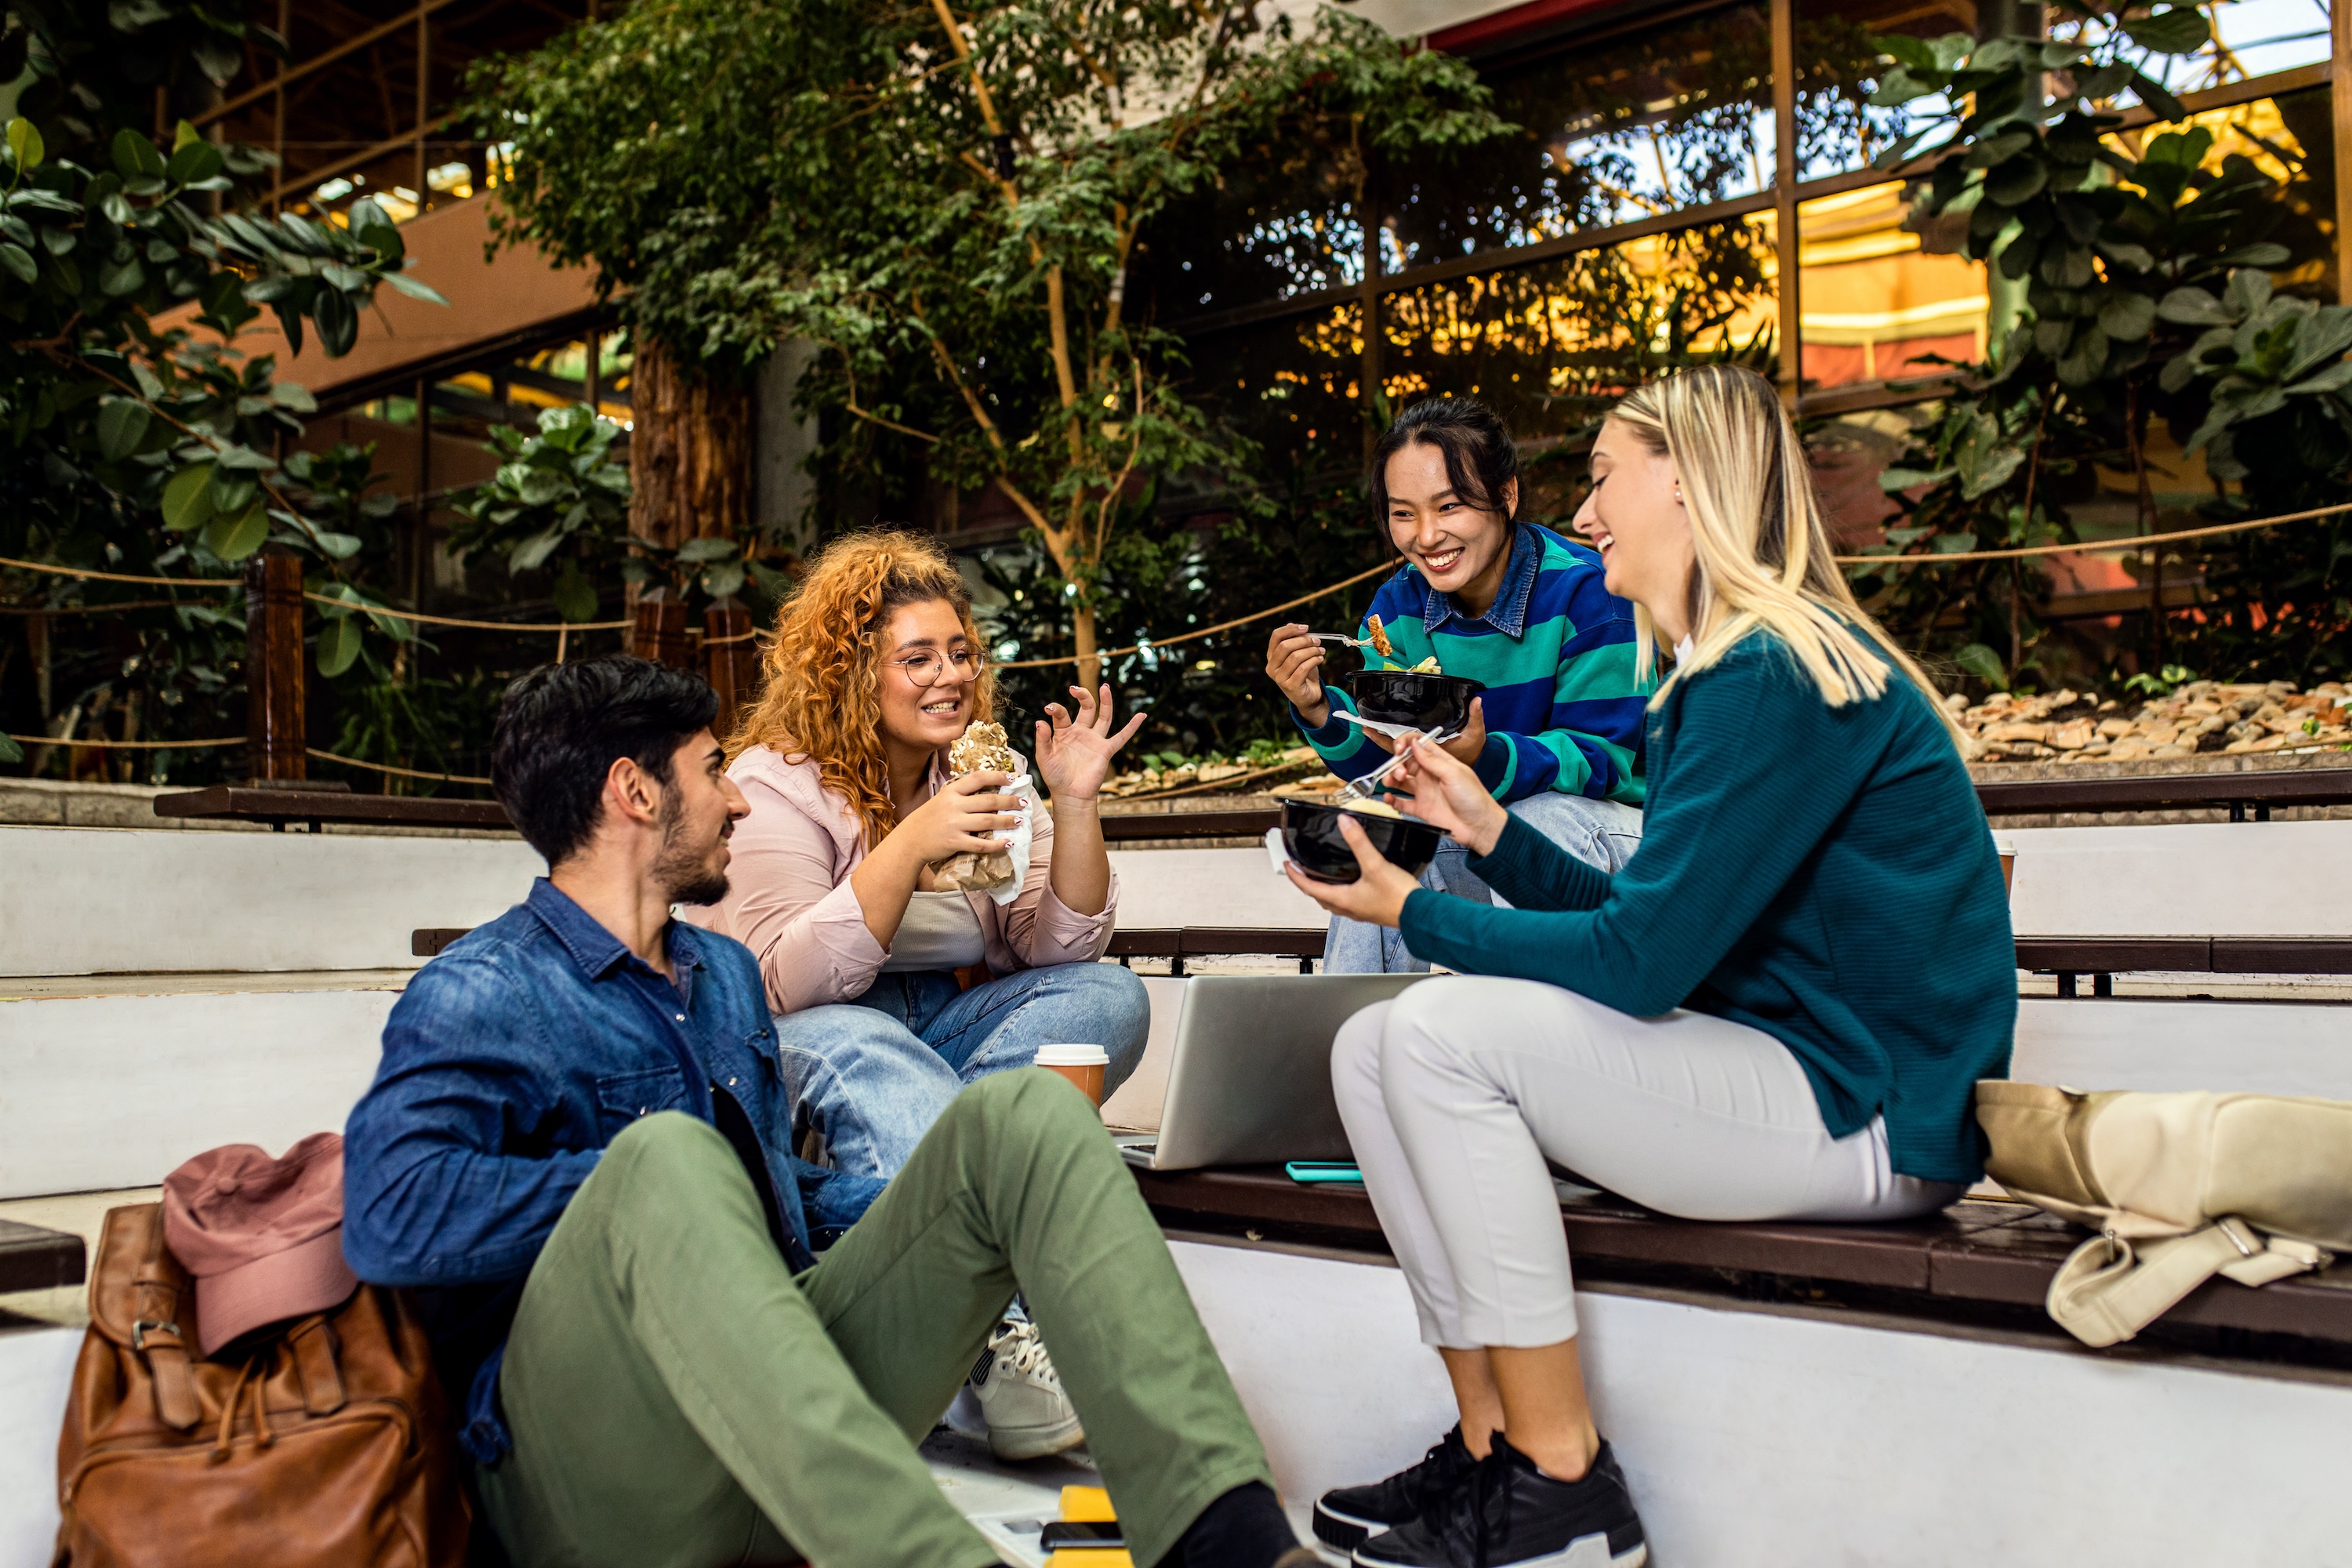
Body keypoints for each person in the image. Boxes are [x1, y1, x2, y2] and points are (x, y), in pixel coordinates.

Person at [342, 656, 1315, 1568]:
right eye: (715, 772)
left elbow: (771, 1189)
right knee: (665, 1159)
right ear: (635, 792)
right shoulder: (486, 986)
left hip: (776, 1408)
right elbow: (391, 1213)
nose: (735, 799)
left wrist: (925, 1211)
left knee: (1024, 1119)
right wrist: (657, 1188)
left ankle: (1230, 1537)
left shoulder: (717, 973)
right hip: (590, 1464)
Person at [1282, 365, 2016, 1568]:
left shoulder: (1771, 670)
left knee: (1429, 1033)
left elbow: (1636, 964)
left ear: (1685, 480)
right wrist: (1485, 832)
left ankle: (1564, 1487)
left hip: (1869, 1108)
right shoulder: (1716, 672)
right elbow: (1649, 919)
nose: (1585, 513)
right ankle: (1493, 1448)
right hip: (1790, 1068)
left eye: (1607, 476)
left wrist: (1419, 908)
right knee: (1374, 1045)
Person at [684, 532, 1151, 1457]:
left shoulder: (984, 770)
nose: (952, 676)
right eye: (918, 657)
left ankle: (940, 1160)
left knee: (1108, 998)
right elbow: (777, 977)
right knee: (867, 1044)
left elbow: (1053, 946)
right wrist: (911, 842)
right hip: (804, 1033)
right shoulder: (773, 785)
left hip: (942, 1026)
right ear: (854, 674)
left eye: (963, 653)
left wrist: (1075, 805)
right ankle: (1000, 1340)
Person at [1264, 397, 1649, 973]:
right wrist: (1319, 707)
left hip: (1608, 852)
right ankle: (1347, 1047)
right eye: (1403, 514)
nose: (1426, 536)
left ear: (1506, 496)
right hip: (1484, 838)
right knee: (1372, 836)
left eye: (1450, 506)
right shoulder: (1399, 608)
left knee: (1540, 816)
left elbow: (1605, 761)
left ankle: (1533, 1048)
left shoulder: (1591, 592)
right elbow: (1388, 765)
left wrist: (1483, 758)